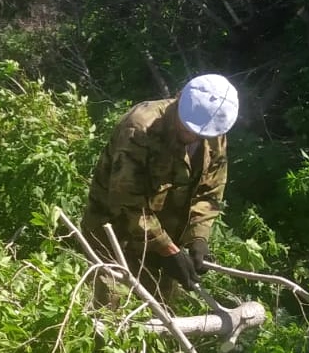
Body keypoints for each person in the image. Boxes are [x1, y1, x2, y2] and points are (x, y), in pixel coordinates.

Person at [80, 73, 239, 307]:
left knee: (159, 313)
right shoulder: (139, 128)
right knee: (109, 313)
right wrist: (166, 249)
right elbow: (125, 202)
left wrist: (198, 237)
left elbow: (209, 191)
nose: (193, 136)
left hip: (163, 242)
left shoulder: (214, 134)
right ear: (179, 99)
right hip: (114, 235)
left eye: (201, 134)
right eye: (187, 129)